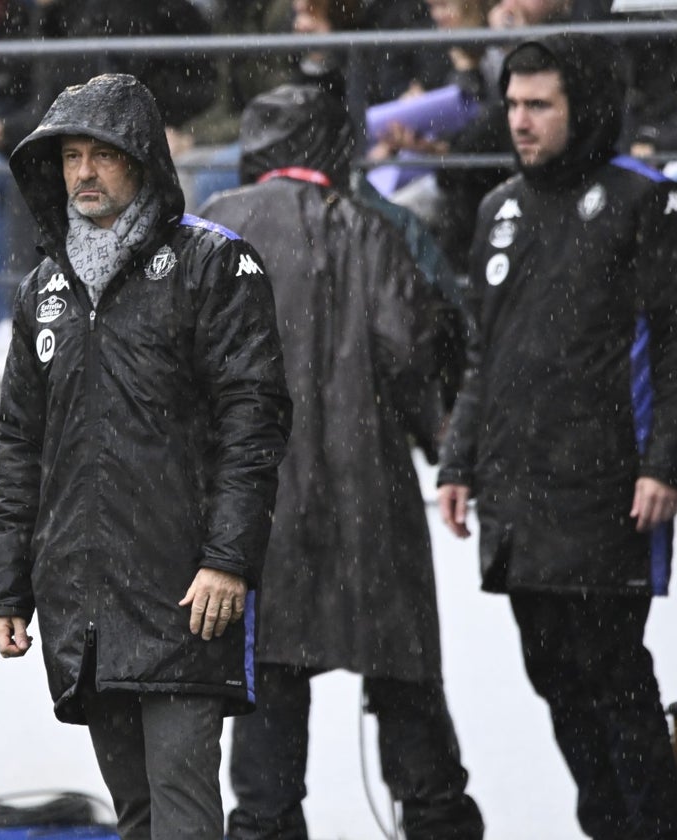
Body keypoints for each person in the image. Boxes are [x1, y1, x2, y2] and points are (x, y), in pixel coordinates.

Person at [0, 73, 291, 840]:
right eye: (71, 156)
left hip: (187, 596)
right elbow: (21, 443)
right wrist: (5, 587)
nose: (83, 173)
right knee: (139, 821)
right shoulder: (41, 291)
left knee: (184, 822)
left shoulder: (214, 265)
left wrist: (227, 560)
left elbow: (253, 424)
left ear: (145, 161)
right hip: (82, 602)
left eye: (104, 156)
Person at [197, 83, 483, 840]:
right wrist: (449, 452)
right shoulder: (374, 230)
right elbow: (411, 353)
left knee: (265, 714)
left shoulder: (213, 229)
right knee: (408, 697)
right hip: (371, 508)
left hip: (257, 516)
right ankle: (435, 819)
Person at [437, 33, 677, 839]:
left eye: (540, 105)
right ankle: (608, 824)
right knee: (554, 676)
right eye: (512, 104)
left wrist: (664, 462)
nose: (521, 121)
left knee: (613, 676)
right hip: (519, 494)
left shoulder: (645, 201)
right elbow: (483, 352)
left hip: (611, 491)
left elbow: (676, 346)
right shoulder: (496, 208)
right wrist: (459, 459)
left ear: (584, 107)